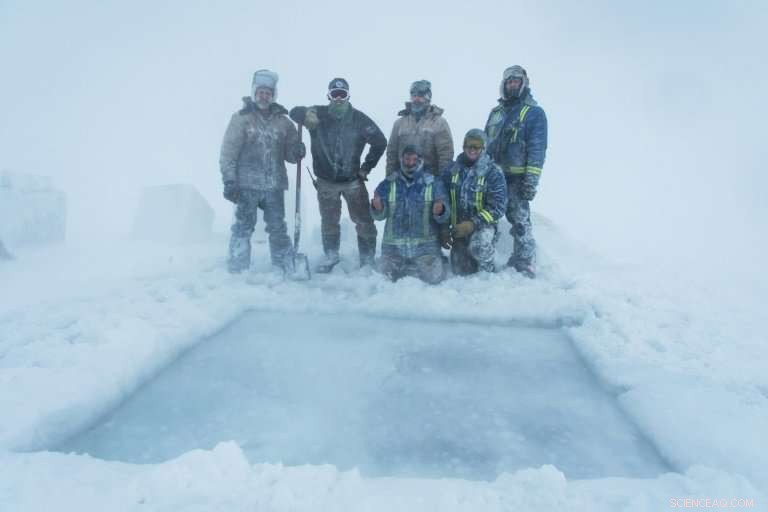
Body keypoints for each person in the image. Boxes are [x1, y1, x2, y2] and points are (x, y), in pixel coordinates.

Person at [290, 78, 387, 272]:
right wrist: (304, 114)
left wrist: (366, 168)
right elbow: (294, 112)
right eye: (335, 94)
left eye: (342, 94)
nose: (339, 98)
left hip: (353, 181)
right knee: (329, 221)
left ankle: (367, 260)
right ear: (329, 96)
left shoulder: (360, 120)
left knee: (364, 221)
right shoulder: (319, 114)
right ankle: (331, 255)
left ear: (348, 96)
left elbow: (380, 141)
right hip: (325, 182)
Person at [219, 69, 305, 274]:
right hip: (246, 184)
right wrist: (229, 180)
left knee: (277, 228)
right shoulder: (241, 118)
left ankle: (284, 265)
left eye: (268, 92)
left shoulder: (284, 122)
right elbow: (228, 152)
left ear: (273, 95)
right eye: (261, 92)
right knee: (242, 227)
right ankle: (238, 268)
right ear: (254, 93)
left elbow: (291, 156)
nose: (264, 96)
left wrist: (298, 150)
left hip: (274, 185)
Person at [485, 65, 548, 278]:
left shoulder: (534, 113)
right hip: (494, 178)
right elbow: (485, 144)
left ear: (523, 84)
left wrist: (531, 181)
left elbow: (537, 149)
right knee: (488, 219)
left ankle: (525, 262)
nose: (512, 84)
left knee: (520, 222)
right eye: (509, 81)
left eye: (516, 81)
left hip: (517, 179)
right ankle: (485, 260)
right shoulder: (495, 113)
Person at [371, 145, 449, 284]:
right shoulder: (388, 184)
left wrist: (441, 210)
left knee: (434, 277)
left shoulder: (434, 184)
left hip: (425, 249)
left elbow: (445, 215)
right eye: (407, 159)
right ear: (401, 159)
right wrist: (378, 208)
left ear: (421, 160)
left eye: (415, 159)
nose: (411, 163)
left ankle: (430, 263)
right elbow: (379, 216)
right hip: (394, 249)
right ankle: (406, 268)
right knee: (383, 276)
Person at [442, 129, 507, 275]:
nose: (472, 149)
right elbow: (443, 200)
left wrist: (472, 223)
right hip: (459, 229)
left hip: (483, 227)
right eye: (469, 145)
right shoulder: (451, 170)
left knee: (479, 247)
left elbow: (498, 207)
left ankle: (488, 269)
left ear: (483, 148)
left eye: (477, 146)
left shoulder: (493, 173)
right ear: (463, 146)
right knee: (460, 269)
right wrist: (444, 228)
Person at [385, 80, 454, 176]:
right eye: (414, 95)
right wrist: (389, 177)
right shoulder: (399, 123)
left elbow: (445, 156)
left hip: (429, 182)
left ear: (428, 98)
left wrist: (442, 183)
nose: (416, 99)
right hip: (402, 181)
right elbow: (391, 154)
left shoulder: (439, 123)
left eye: (421, 96)